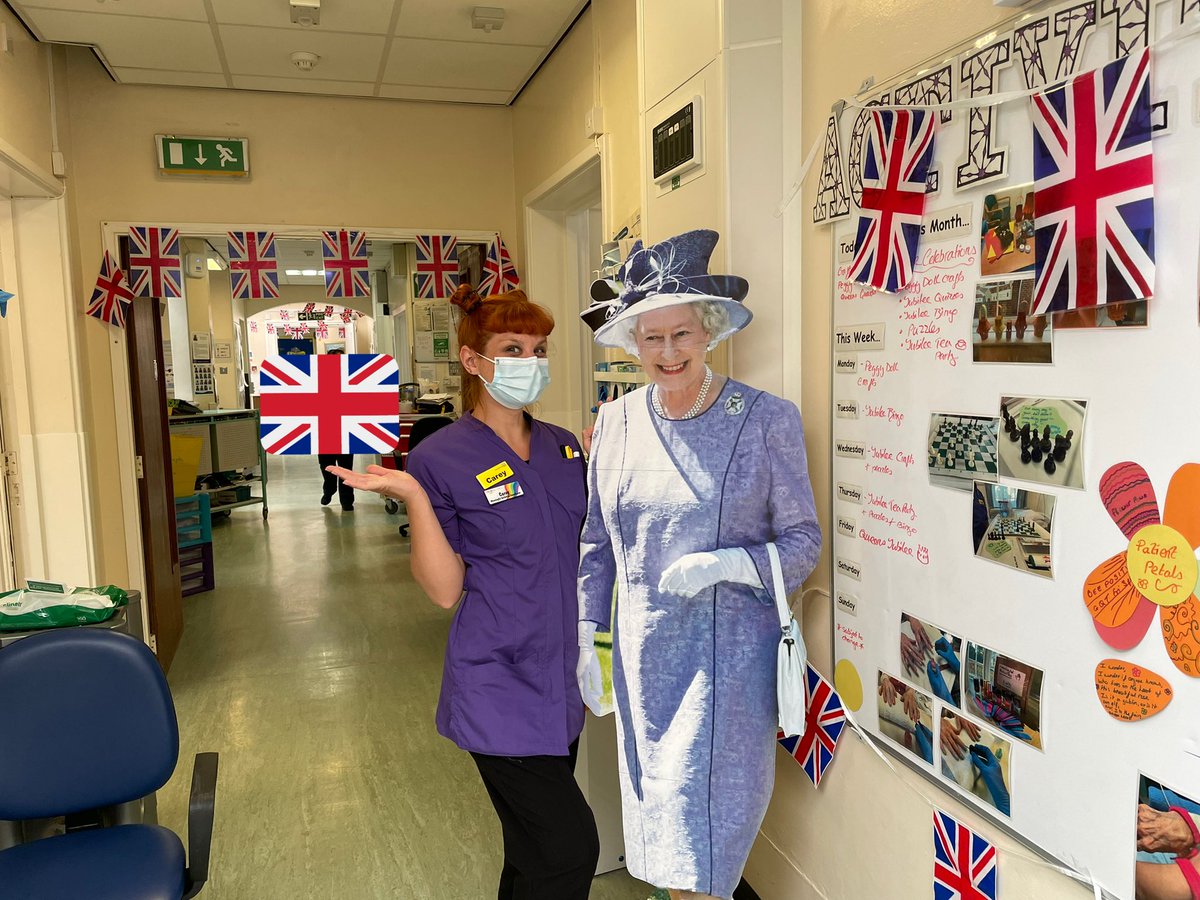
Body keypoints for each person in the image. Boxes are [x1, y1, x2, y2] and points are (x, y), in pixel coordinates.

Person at [326, 284, 598, 899]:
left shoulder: (564, 447)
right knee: (569, 850)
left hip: (562, 676)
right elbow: (445, 589)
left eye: (539, 349)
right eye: (513, 349)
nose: (531, 362)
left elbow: (589, 549)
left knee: (530, 853)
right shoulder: (440, 457)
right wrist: (415, 498)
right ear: (473, 360)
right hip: (497, 680)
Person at [575, 230, 821, 900]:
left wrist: (731, 565)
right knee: (664, 849)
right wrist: (589, 636)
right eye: (651, 337)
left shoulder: (765, 420)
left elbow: (804, 542)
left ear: (709, 330)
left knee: (706, 848)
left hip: (727, 674)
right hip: (643, 665)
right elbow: (597, 543)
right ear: (632, 342)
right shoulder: (616, 423)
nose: (668, 352)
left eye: (681, 333)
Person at [316, 348, 354, 511]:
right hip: (324, 430)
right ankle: (329, 490)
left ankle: (347, 501)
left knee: (345, 469)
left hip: (345, 429)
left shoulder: (350, 379)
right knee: (327, 467)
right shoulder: (318, 379)